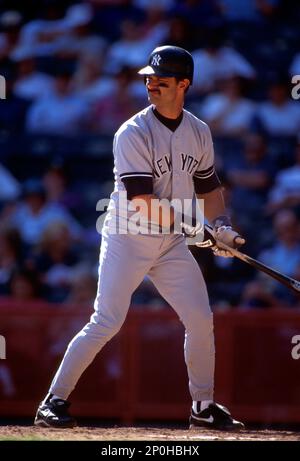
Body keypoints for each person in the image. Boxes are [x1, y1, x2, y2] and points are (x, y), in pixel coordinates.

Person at [34, 46, 245, 431]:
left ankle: (203, 404)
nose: (151, 84)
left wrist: (224, 225)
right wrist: (201, 229)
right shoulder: (131, 132)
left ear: (184, 84)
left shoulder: (199, 131)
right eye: (148, 78)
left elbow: (210, 189)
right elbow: (144, 203)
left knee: (200, 319)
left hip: (170, 243)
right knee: (107, 321)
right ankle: (53, 400)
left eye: (161, 79)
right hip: (128, 235)